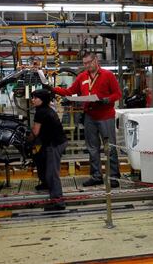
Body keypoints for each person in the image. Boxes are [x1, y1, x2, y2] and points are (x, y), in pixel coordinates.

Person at [52, 53, 122, 188]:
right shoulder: (82, 77)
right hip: (89, 116)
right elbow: (70, 91)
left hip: (106, 115)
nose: (87, 66)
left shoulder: (108, 75)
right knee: (92, 148)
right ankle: (96, 176)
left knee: (110, 147)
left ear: (96, 60)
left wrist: (107, 99)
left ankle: (113, 176)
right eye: (84, 63)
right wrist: (53, 89)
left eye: (89, 62)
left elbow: (117, 94)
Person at [28, 89, 68, 211]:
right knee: (41, 159)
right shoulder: (47, 109)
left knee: (52, 173)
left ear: (43, 100)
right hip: (55, 141)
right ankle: (46, 184)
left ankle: (58, 201)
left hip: (55, 144)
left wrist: (26, 139)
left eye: (35, 98)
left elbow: (35, 132)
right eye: (33, 97)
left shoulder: (41, 112)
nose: (33, 100)